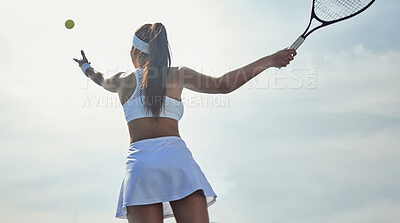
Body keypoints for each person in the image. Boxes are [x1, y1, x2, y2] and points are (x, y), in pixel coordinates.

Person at [73, 23, 296, 223]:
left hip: (139, 166)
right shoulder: (178, 74)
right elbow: (222, 85)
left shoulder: (122, 80)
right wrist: (270, 60)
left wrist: (85, 67)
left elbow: (99, 79)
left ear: (134, 51)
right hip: (176, 161)